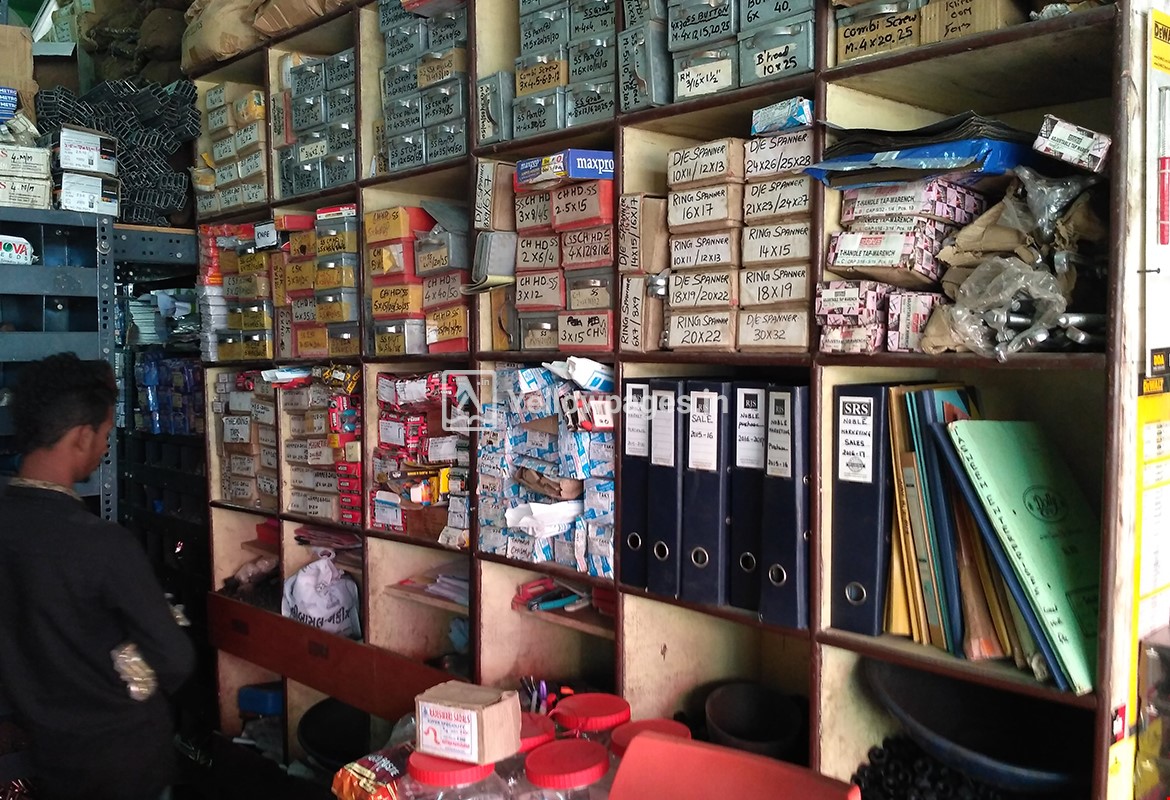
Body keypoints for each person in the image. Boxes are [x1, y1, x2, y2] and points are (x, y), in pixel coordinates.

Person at [0, 353, 195, 800]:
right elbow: (175, 659)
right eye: (106, 434)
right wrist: (134, 651)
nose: (106, 446)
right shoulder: (102, 544)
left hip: (49, 755)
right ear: (82, 436)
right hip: (122, 760)